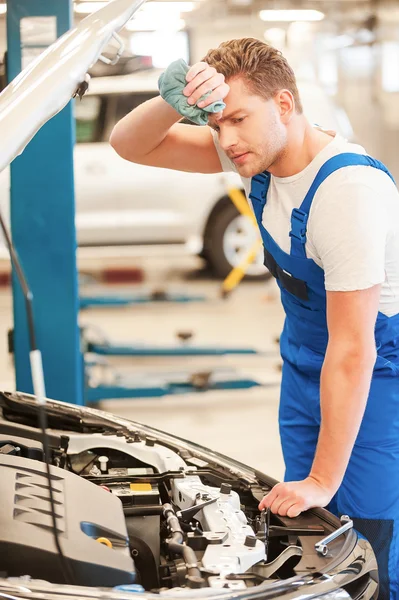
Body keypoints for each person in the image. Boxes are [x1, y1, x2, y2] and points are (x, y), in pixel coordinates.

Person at [110, 38, 399, 599]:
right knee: (317, 535)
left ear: (284, 105)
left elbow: (354, 348)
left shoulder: (347, 192)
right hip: (304, 367)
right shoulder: (258, 154)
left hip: (373, 375)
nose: (227, 139)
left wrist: (322, 476)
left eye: (238, 118)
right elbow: (130, 144)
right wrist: (174, 100)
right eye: (216, 124)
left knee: (371, 539)